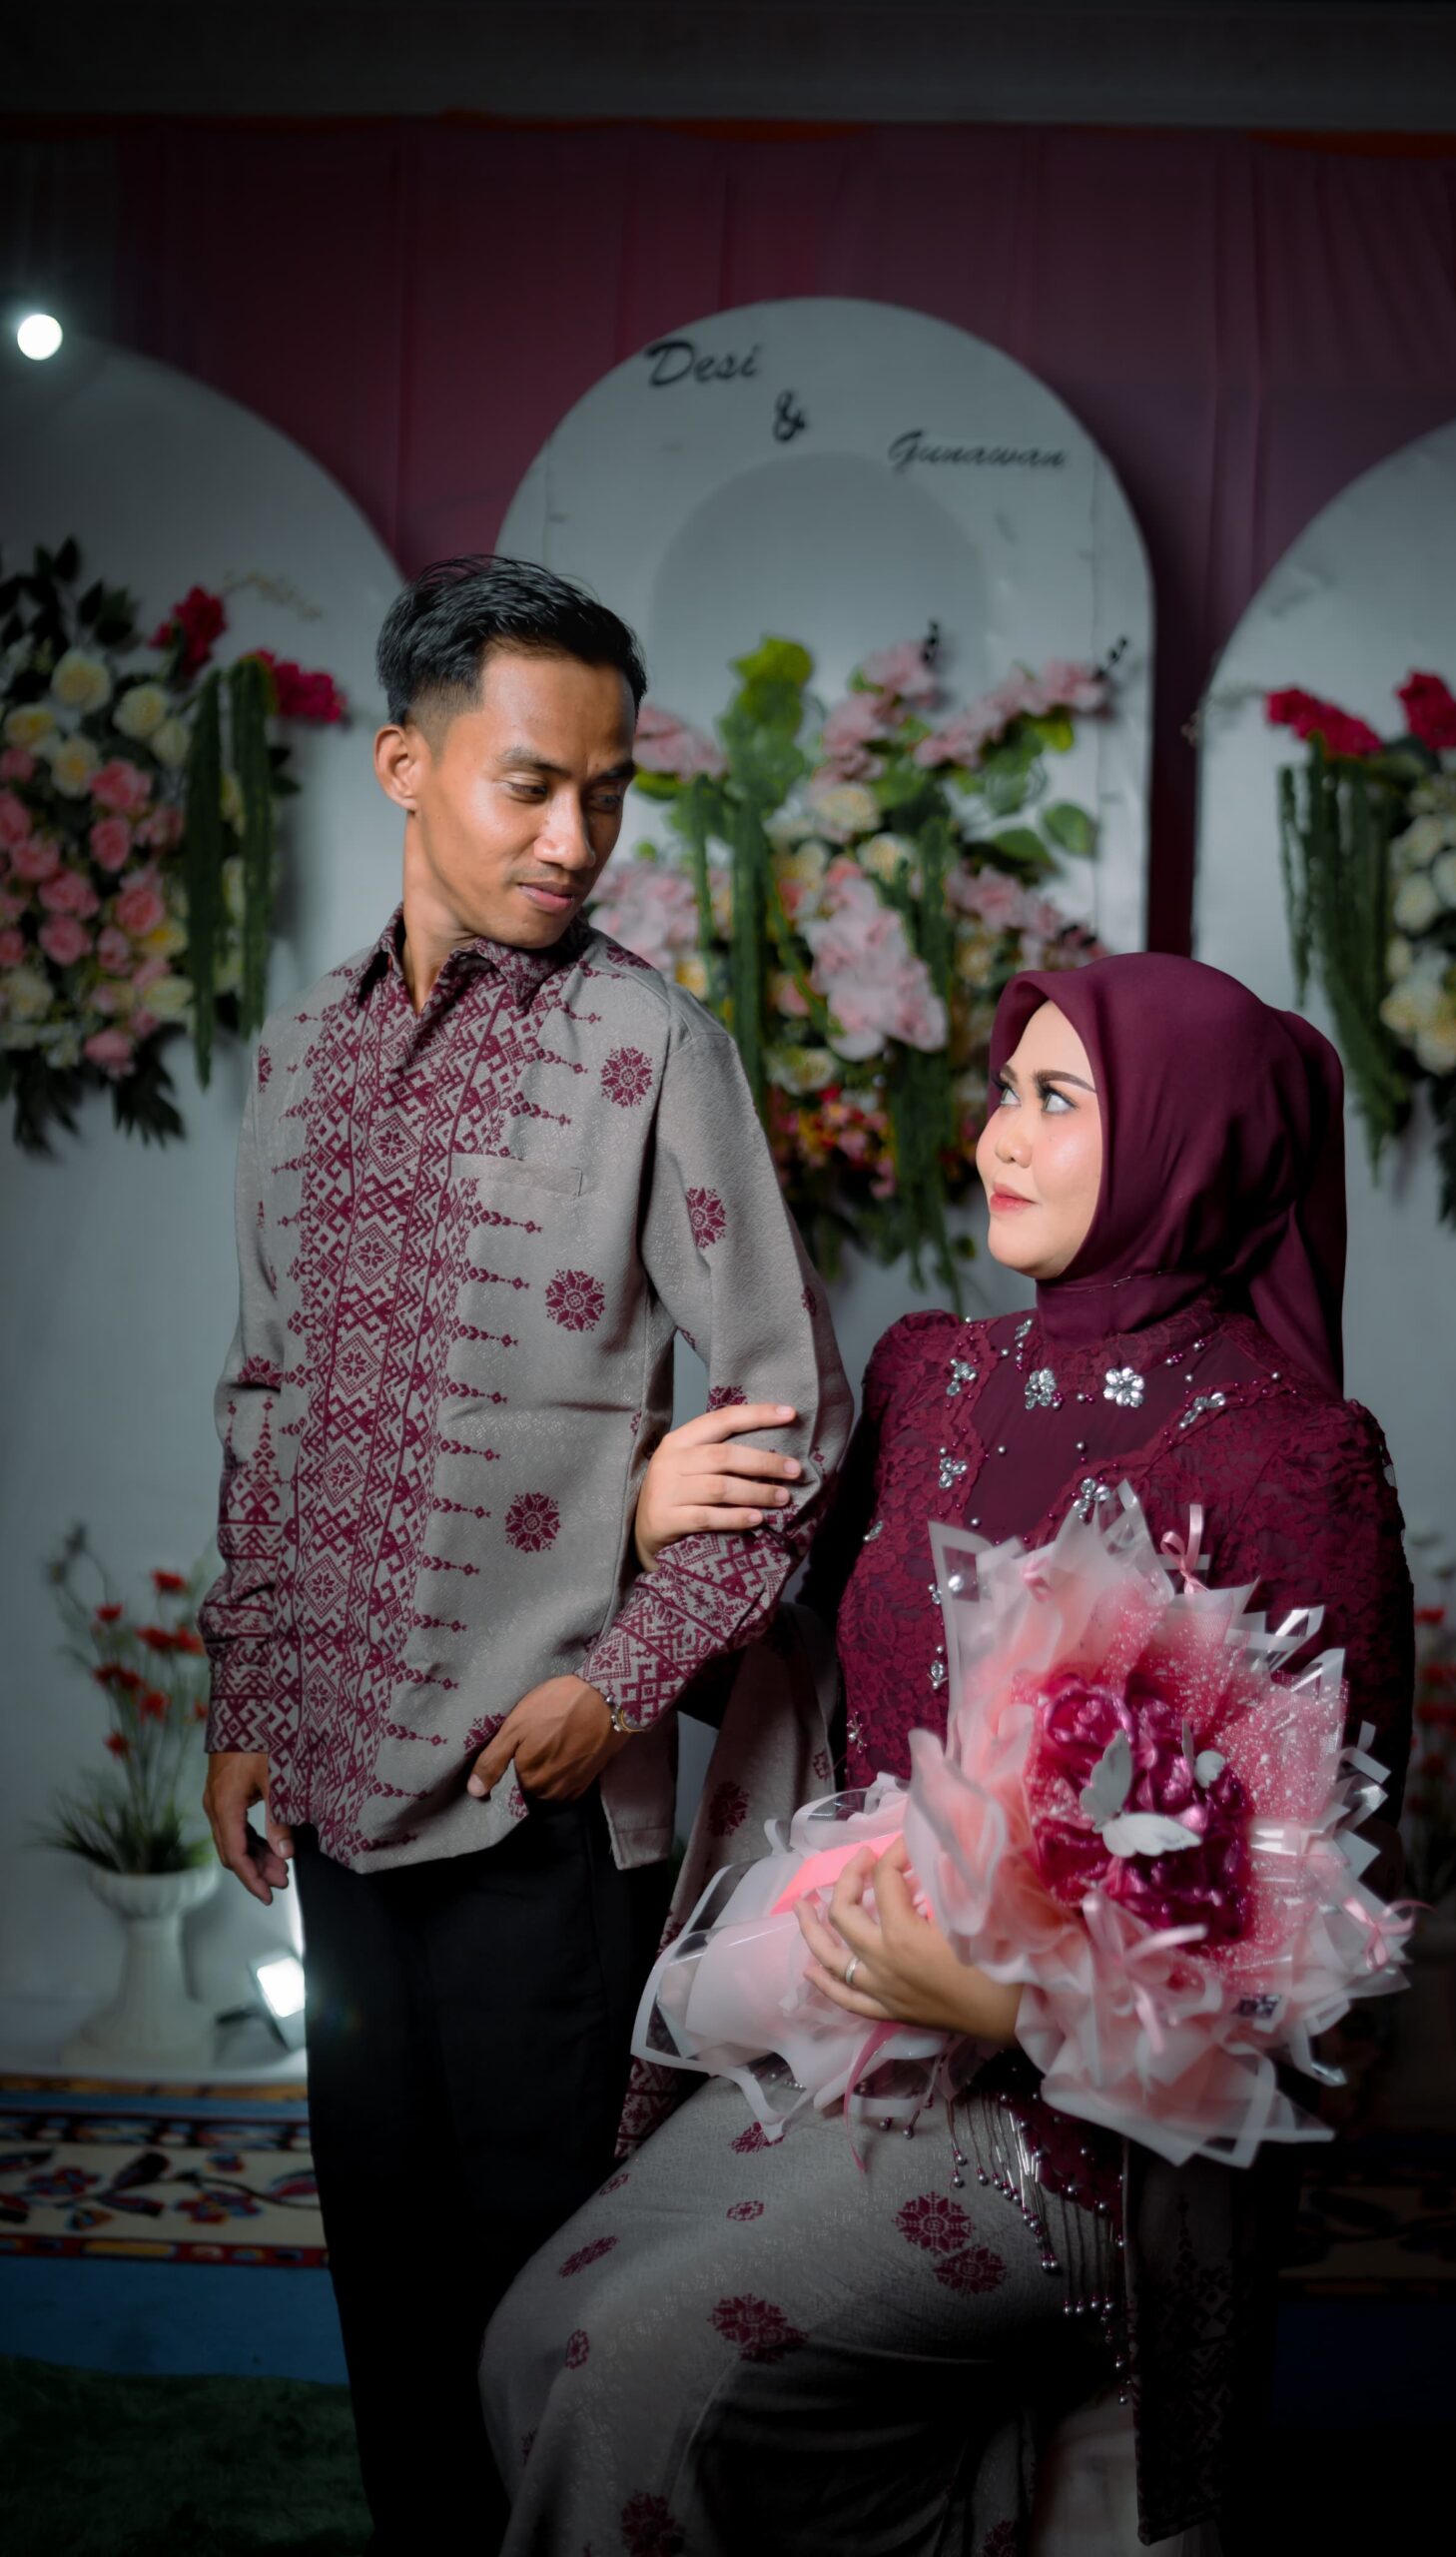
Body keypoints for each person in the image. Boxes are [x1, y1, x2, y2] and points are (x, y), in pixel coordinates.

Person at [479, 952, 1414, 2556]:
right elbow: (789, 1683)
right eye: (1002, 1091)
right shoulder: (932, 1378)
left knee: (627, 2370)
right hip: (847, 2024)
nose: (998, 1137)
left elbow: (1319, 1924)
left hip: (1086, 2129)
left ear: (1190, 1138)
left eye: (1058, 1099)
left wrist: (1007, 2004)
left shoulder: (1290, 1459)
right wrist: (643, 1526)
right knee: (525, 2344)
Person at [197, 555, 852, 2555]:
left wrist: (614, 1686)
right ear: (406, 766)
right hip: (330, 1790)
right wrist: (241, 1693)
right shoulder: (296, 1059)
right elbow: (265, 1392)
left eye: (608, 791)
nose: (577, 837)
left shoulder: (656, 1051)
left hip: (538, 1802)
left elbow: (790, 1428)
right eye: (529, 785)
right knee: (386, 2281)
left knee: (545, 2309)